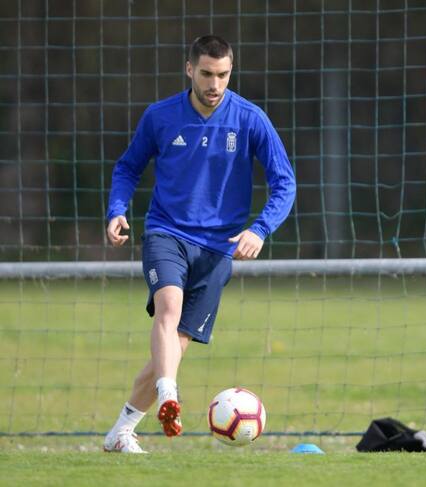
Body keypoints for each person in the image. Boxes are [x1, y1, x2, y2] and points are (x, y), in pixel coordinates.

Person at [102, 35, 296, 453]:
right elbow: (128, 167)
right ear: (190, 69)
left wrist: (260, 229)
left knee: (171, 349)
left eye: (223, 75)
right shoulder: (160, 117)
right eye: (206, 73)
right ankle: (169, 394)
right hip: (167, 232)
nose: (214, 83)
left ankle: (121, 431)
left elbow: (285, 182)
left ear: (231, 71)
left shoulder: (250, 119)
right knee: (168, 307)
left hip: (218, 248)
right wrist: (117, 210)